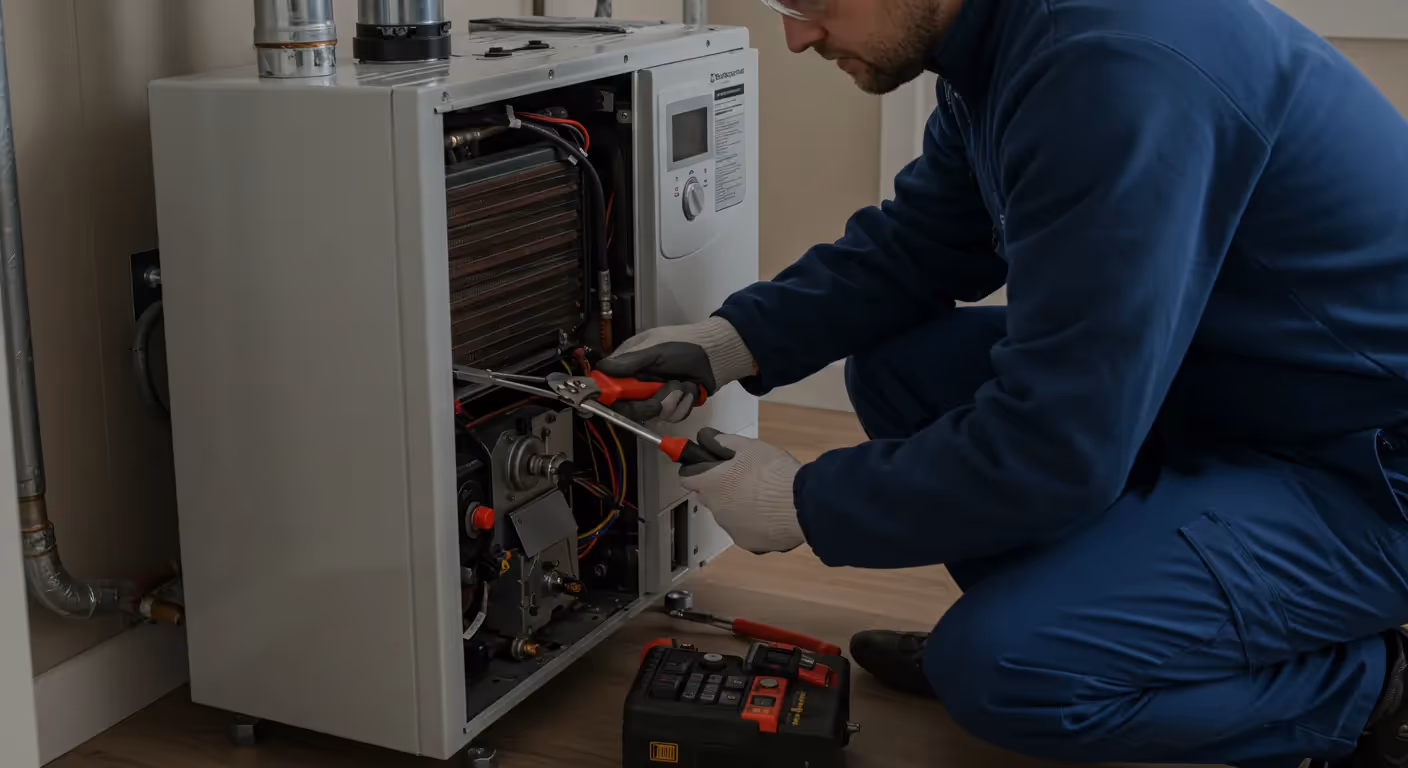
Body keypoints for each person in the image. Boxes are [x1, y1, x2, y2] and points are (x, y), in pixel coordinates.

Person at [597, 0, 1408, 765]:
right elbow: (922, 244)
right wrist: (731, 342)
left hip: (1368, 469)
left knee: (1002, 673)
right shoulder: (1006, 42)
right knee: (901, 370)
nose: (797, 36)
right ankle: (1076, 623)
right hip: (1237, 393)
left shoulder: (1109, 69)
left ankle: (1376, 692)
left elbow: (1057, 445)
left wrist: (803, 501)